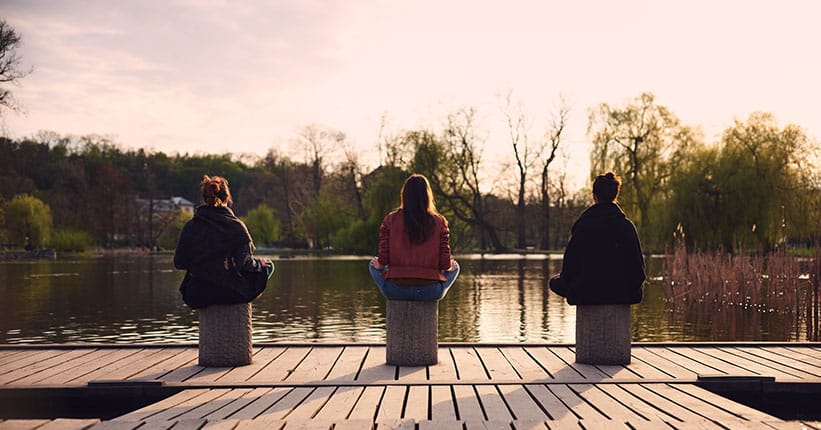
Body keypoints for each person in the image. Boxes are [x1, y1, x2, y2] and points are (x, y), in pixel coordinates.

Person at [174, 175, 274, 309]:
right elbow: (245, 264)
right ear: (227, 198)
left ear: (204, 198)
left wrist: (202, 265)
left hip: (197, 293)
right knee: (269, 265)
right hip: (231, 292)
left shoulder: (190, 226)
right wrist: (258, 264)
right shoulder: (236, 226)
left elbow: (179, 263)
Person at [549, 172, 645, 305]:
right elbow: (638, 272)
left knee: (554, 282)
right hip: (621, 294)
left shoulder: (582, 227)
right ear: (615, 196)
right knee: (636, 289)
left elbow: (569, 270)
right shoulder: (626, 226)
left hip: (586, 293)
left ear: (594, 196)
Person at [369, 173, 459, 301]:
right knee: (456, 267)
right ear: (427, 196)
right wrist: (451, 266)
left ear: (404, 195)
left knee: (372, 264)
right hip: (429, 291)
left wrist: (379, 264)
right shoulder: (439, 222)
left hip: (396, 290)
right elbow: (446, 265)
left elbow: (383, 260)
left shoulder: (390, 219)